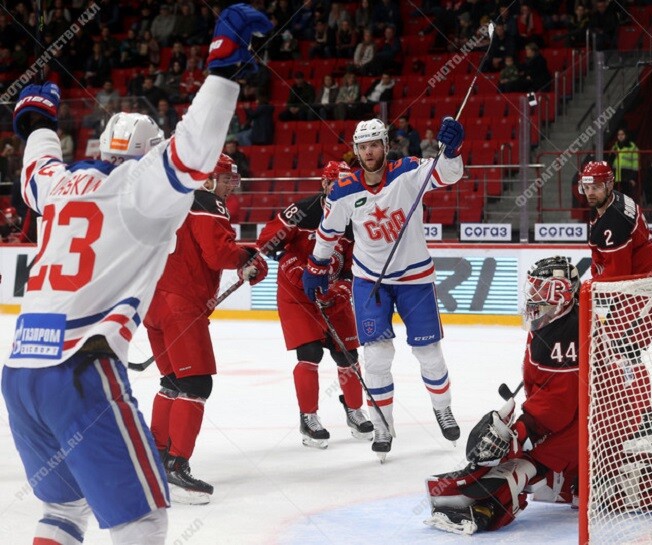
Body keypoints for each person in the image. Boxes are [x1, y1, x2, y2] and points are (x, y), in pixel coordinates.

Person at [1, 5, 273, 544]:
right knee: (143, 520)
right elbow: (193, 155)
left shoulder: (59, 186)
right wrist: (221, 73)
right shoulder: (140, 191)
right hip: (80, 370)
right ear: (147, 155)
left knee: (64, 511)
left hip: (19, 370)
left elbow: (36, 166)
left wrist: (38, 122)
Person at [301, 117, 465, 461]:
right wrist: (316, 266)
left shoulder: (408, 171)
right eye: (362, 146)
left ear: (385, 145)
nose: (368, 151)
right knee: (376, 357)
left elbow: (447, 174)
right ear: (356, 151)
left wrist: (452, 151)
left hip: (415, 279)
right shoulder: (344, 189)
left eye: (374, 144)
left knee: (429, 354)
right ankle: (382, 425)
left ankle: (443, 409)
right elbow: (328, 232)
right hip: (370, 281)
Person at [424, 256, 581, 534]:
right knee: (531, 462)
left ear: (561, 295)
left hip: (594, 420)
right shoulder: (556, 320)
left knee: (524, 462)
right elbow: (552, 393)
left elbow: (559, 407)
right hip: (582, 416)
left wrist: (520, 432)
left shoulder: (566, 335)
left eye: (541, 294)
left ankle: (489, 505)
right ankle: (570, 481)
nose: (533, 300)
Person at [144, 154, 268, 504]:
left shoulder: (170, 197)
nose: (231, 185)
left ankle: (156, 458)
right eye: (226, 178)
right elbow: (217, 254)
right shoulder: (206, 200)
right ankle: (177, 467)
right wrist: (248, 258)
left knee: (172, 382)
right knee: (197, 383)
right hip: (180, 305)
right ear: (209, 179)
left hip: (153, 302)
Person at [256, 160, 373, 449]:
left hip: (331, 292)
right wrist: (297, 269)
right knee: (309, 353)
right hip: (297, 295)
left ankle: (354, 410)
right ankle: (308, 417)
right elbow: (268, 244)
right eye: (338, 184)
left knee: (347, 354)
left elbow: (355, 263)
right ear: (325, 184)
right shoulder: (304, 211)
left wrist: (343, 288)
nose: (344, 190)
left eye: (349, 185)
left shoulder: (357, 217)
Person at [581, 160, 652, 450]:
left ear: (609, 184)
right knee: (621, 351)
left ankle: (645, 427)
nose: (590, 192)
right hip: (646, 278)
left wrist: (588, 289)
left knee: (625, 352)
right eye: (586, 187)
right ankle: (633, 419)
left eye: (595, 186)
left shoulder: (613, 221)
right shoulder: (618, 202)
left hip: (647, 283)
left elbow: (618, 277)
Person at [610, 128, 640, 201]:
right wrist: (612, 154)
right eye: (618, 135)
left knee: (628, 198)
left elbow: (636, 165)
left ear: (626, 135)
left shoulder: (632, 147)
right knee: (615, 198)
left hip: (627, 176)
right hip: (616, 176)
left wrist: (633, 178)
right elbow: (610, 161)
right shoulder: (615, 146)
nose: (620, 136)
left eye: (622, 134)